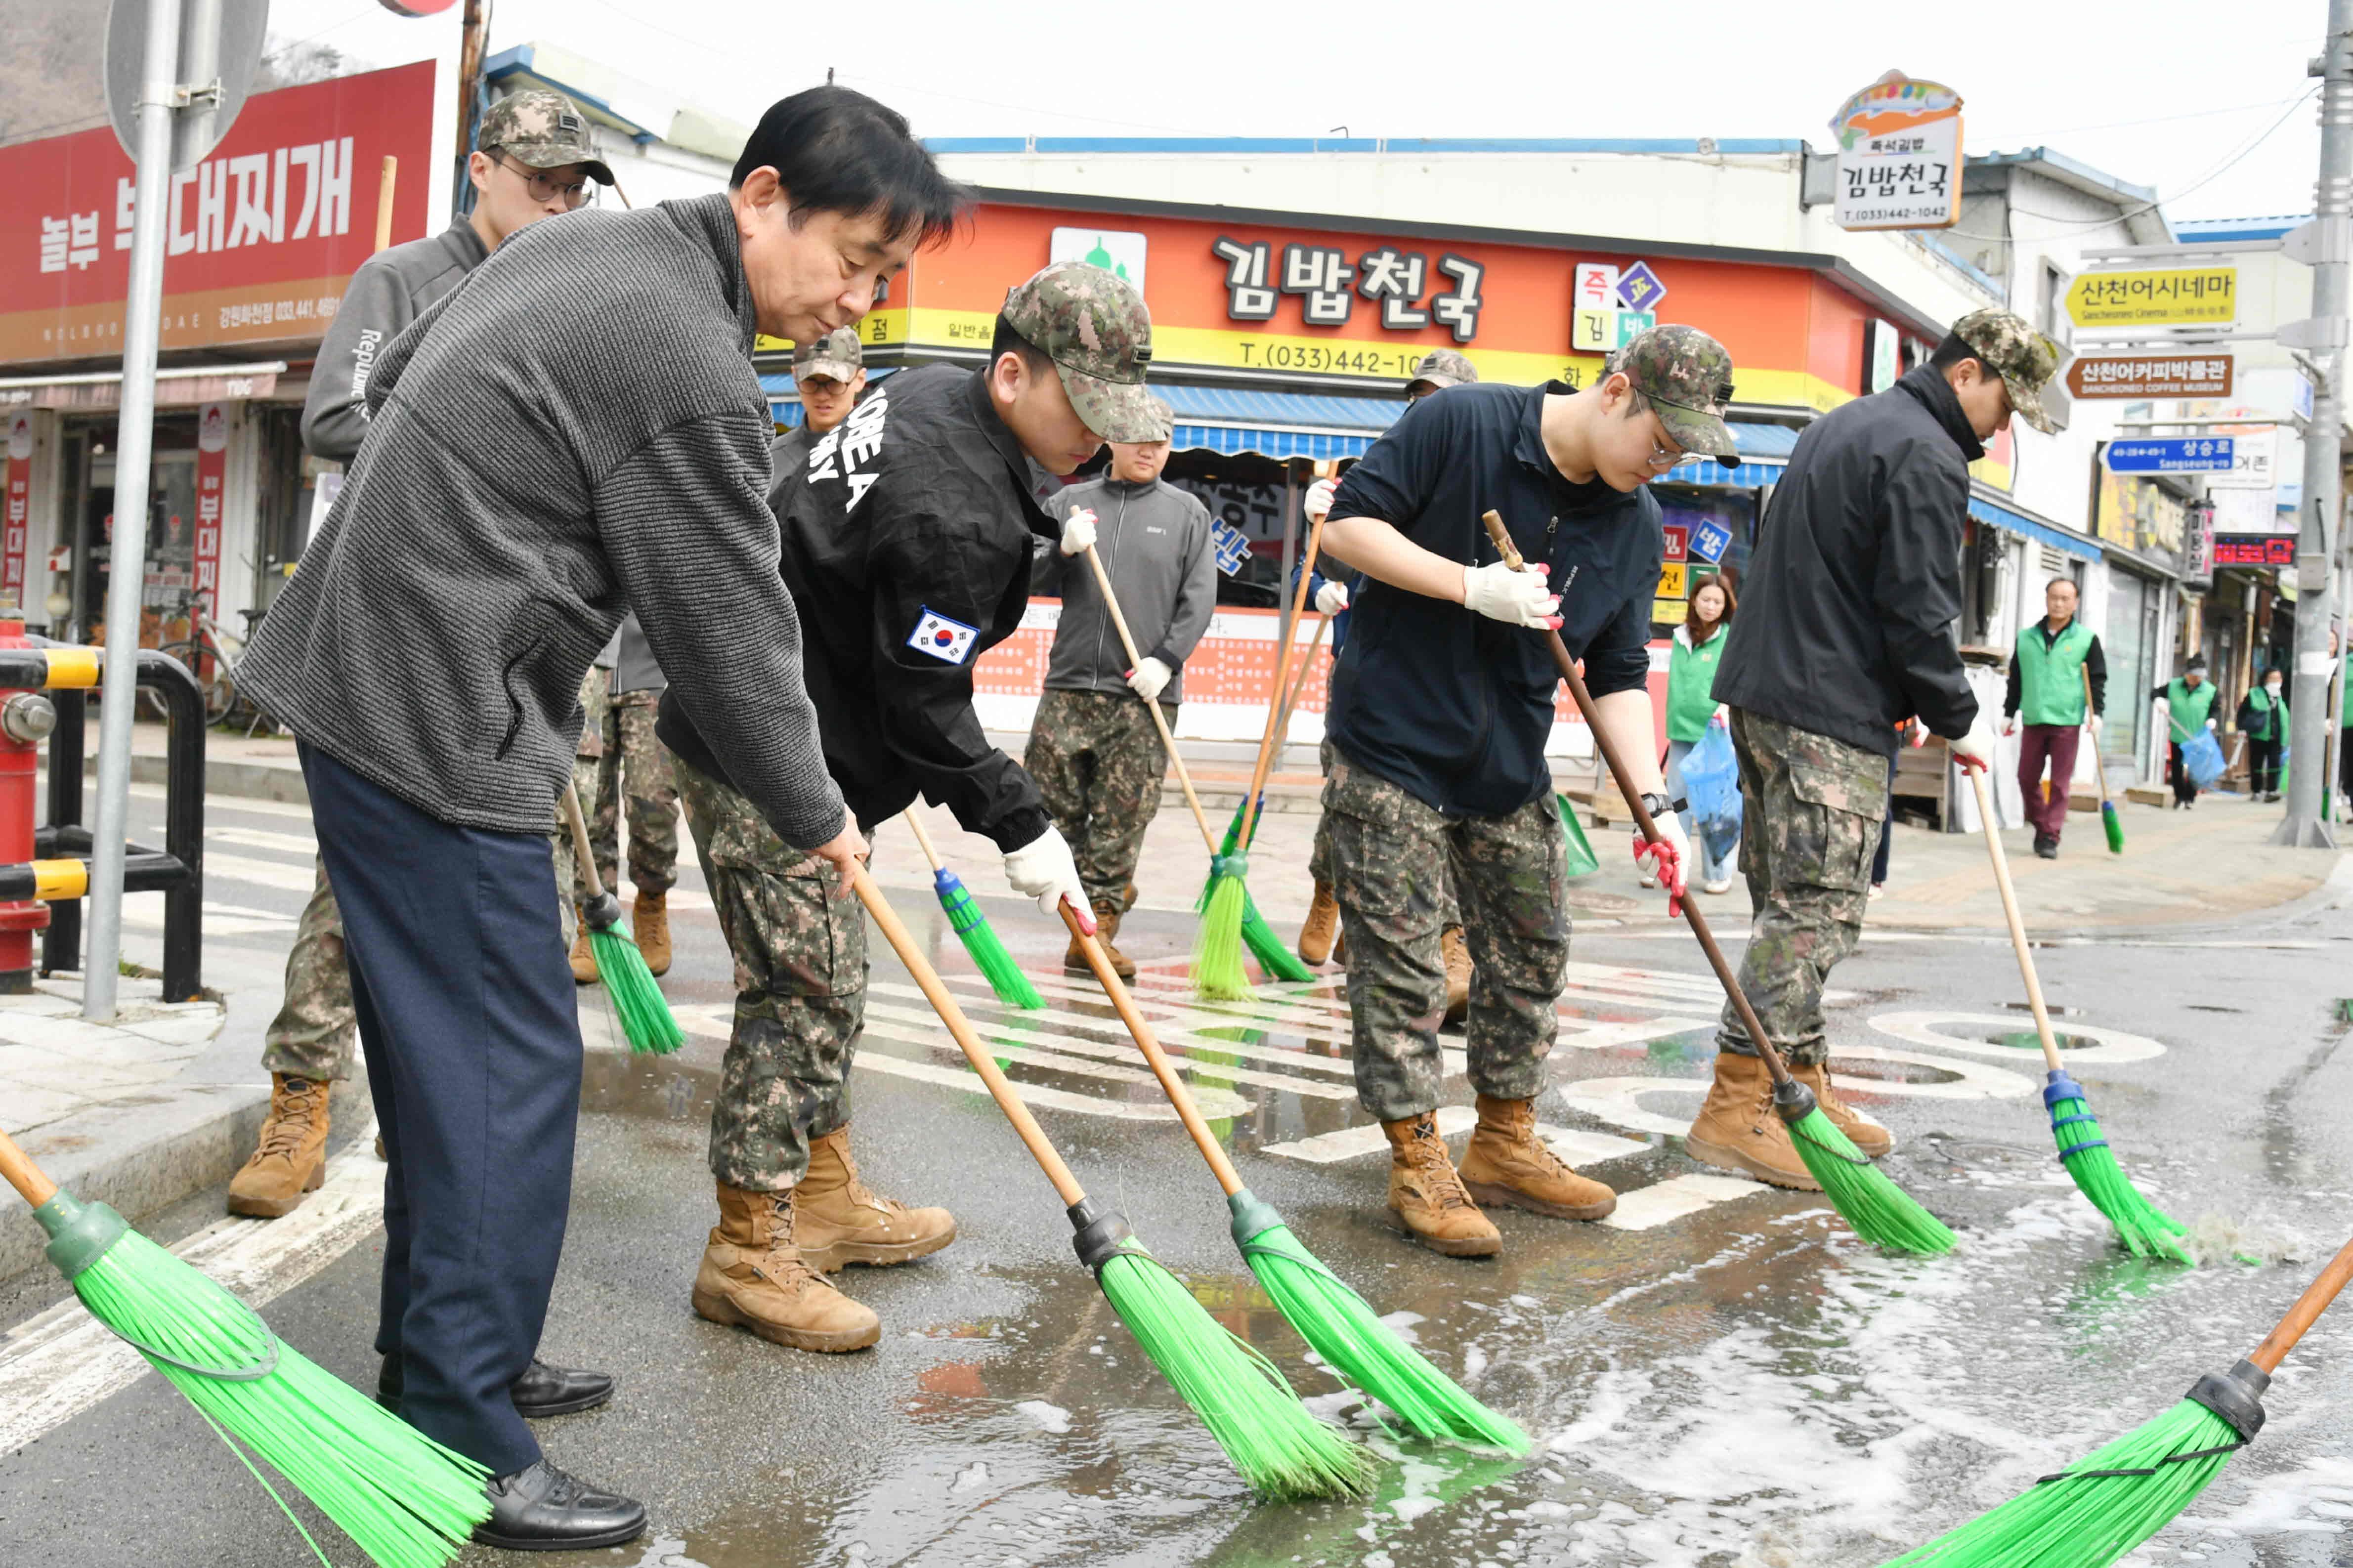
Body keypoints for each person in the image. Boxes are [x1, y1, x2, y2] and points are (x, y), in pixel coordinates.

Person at [236, 86, 961, 1548]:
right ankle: (459, 1429)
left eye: (885, 279)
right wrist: (817, 808)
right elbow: (727, 622)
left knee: (455, 1072)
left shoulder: (591, 246)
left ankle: (453, 1356)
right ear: (763, 196)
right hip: (432, 707)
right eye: (854, 259)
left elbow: (412, 380)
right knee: (502, 1079)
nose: (858, 300)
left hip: (381, 671)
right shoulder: (685, 353)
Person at [654, 261, 1155, 1351]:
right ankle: (748, 1248)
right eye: (1084, 408)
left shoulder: (930, 389)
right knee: (801, 989)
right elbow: (924, 704)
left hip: (773, 705)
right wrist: (1022, 823)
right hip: (773, 748)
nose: (1099, 437)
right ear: (1013, 375)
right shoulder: (957, 514)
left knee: (832, 976)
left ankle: (823, 1196)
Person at [229, 89, 613, 1222]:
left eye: (574, 187)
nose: (558, 203)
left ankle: (450, 1120)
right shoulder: (402, 279)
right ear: (481, 170)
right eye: (540, 181)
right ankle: (301, 1094)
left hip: (519, 638)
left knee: (505, 882)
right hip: (393, 624)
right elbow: (330, 419)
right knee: (352, 877)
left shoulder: (577, 295)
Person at [1313, 324, 1736, 1258]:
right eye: (1660, 440)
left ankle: (1504, 1140)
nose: (1662, 463)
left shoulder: (1632, 525)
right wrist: (1468, 586)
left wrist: (1656, 806)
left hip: (1506, 763)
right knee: (1406, 967)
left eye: (1681, 454)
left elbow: (1617, 672)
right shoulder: (1464, 424)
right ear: (1615, 391)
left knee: (1533, 948)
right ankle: (1417, 1157)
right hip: (1390, 744)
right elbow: (1345, 527)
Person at [1703, 308, 2050, 1188]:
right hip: (1828, 711)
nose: (2003, 428)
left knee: (1787, 905)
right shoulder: (1926, 453)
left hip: (1766, 697)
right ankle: (1739, 1105)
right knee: (1814, 913)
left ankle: (1801, 1087)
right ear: (1966, 373)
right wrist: (1958, 715)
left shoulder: (1845, 424)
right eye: (2007, 404)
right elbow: (1918, 607)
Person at [1299, 347, 1482, 1020]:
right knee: (1347, 803)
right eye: (1421, 397)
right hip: (1366, 673)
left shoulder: (1480, 481)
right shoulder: (1379, 468)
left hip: (1446, 679)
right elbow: (1320, 568)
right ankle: (1329, 889)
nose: (1429, 410)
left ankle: (1453, 945)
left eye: (1444, 399)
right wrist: (1321, 549)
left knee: (1447, 819)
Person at [1026, 393, 1217, 977]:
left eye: (1161, 441)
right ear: (1111, 438)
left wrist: (1167, 660)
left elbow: (1199, 599)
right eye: (1138, 438)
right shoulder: (1070, 503)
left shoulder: (1187, 514)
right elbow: (1022, 569)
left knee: (1122, 817)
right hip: (1070, 685)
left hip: (1142, 693)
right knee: (1047, 808)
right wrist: (1061, 548)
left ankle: (1098, 923)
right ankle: (1092, 897)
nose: (1150, 450)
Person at [570, 614, 681, 975]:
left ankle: (651, 904)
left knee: (653, 801)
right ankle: (593, 925)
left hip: (654, 666)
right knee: (589, 806)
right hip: (586, 663)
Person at [2001, 575, 2105, 859]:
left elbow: (2096, 680)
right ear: (2046, 600)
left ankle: (2050, 836)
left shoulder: (2086, 639)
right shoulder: (2026, 638)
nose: (2059, 604)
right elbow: (2016, 679)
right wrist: (2009, 713)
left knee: (2060, 784)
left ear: (2076, 603)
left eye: (2065, 599)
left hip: (2067, 721)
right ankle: (2042, 825)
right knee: (2026, 778)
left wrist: (2096, 713)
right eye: (2054, 598)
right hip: (2034, 718)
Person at [1664, 574, 1736, 895]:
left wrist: (1725, 709)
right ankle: (1673, 867)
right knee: (1676, 801)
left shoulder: (1730, 638)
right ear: (1694, 600)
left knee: (1712, 805)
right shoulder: (1680, 635)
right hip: (1680, 730)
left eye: (1718, 602)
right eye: (1706, 599)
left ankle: (1718, 871)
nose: (1710, 606)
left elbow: (1735, 679)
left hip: (1714, 733)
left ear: (1726, 606)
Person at [770, 327, 868, 488]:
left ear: (860, 379)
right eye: (811, 381)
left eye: (835, 382)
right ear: (795, 377)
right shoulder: (771, 462)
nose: (822, 396)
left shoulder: (883, 454)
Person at [2153, 655, 2218, 808]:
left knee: (2196, 769)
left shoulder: (2210, 691)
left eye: (2200, 677)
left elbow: (2216, 709)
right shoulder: (2174, 686)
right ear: (2187, 674)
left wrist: (2212, 719)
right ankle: (2179, 798)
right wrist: (2159, 701)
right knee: (2177, 768)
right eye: (2193, 676)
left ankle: (2190, 797)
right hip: (2178, 735)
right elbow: (2155, 693)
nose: (2196, 679)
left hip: (2199, 737)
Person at [2237, 666, 2287, 803]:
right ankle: (2256, 791)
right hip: (2258, 735)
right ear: (2265, 679)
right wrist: (2242, 728)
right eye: (2273, 678)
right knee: (2256, 764)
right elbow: (2243, 712)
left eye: (2278, 678)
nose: (2276, 681)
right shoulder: (2255, 693)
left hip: (2277, 735)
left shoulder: (2283, 695)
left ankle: (2272, 790)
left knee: (2275, 764)